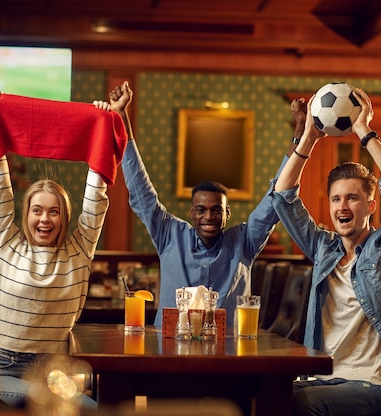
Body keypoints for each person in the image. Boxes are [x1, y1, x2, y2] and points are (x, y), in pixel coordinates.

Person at [270, 88, 381, 415]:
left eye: (352, 198)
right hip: (326, 376)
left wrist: (364, 131)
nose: (342, 206)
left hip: (377, 383)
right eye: (336, 199)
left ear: (371, 206)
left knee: (299, 403)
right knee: (261, 391)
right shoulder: (323, 247)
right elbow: (282, 197)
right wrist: (308, 138)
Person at [93, 81, 303, 328]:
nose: (209, 217)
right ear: (192, 212)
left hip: (227, 356)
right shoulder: (170, 235)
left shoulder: (244, 241)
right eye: (201, 210)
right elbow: (141, 190)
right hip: (170, 355)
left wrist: (300, 135)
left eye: (217, 210)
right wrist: (121, 115)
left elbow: (274, 198)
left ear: (227, 213)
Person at [0, 90, 119, 410]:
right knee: (66, 406)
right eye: (37, 210)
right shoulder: (8, 244)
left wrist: (101, 126)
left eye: (54, 211)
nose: (45, 218)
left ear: (64, 217)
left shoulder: (79, 251)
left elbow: (97, 197)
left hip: (53, 370)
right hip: (2, 368)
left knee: (95, 407)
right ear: (26, 215)